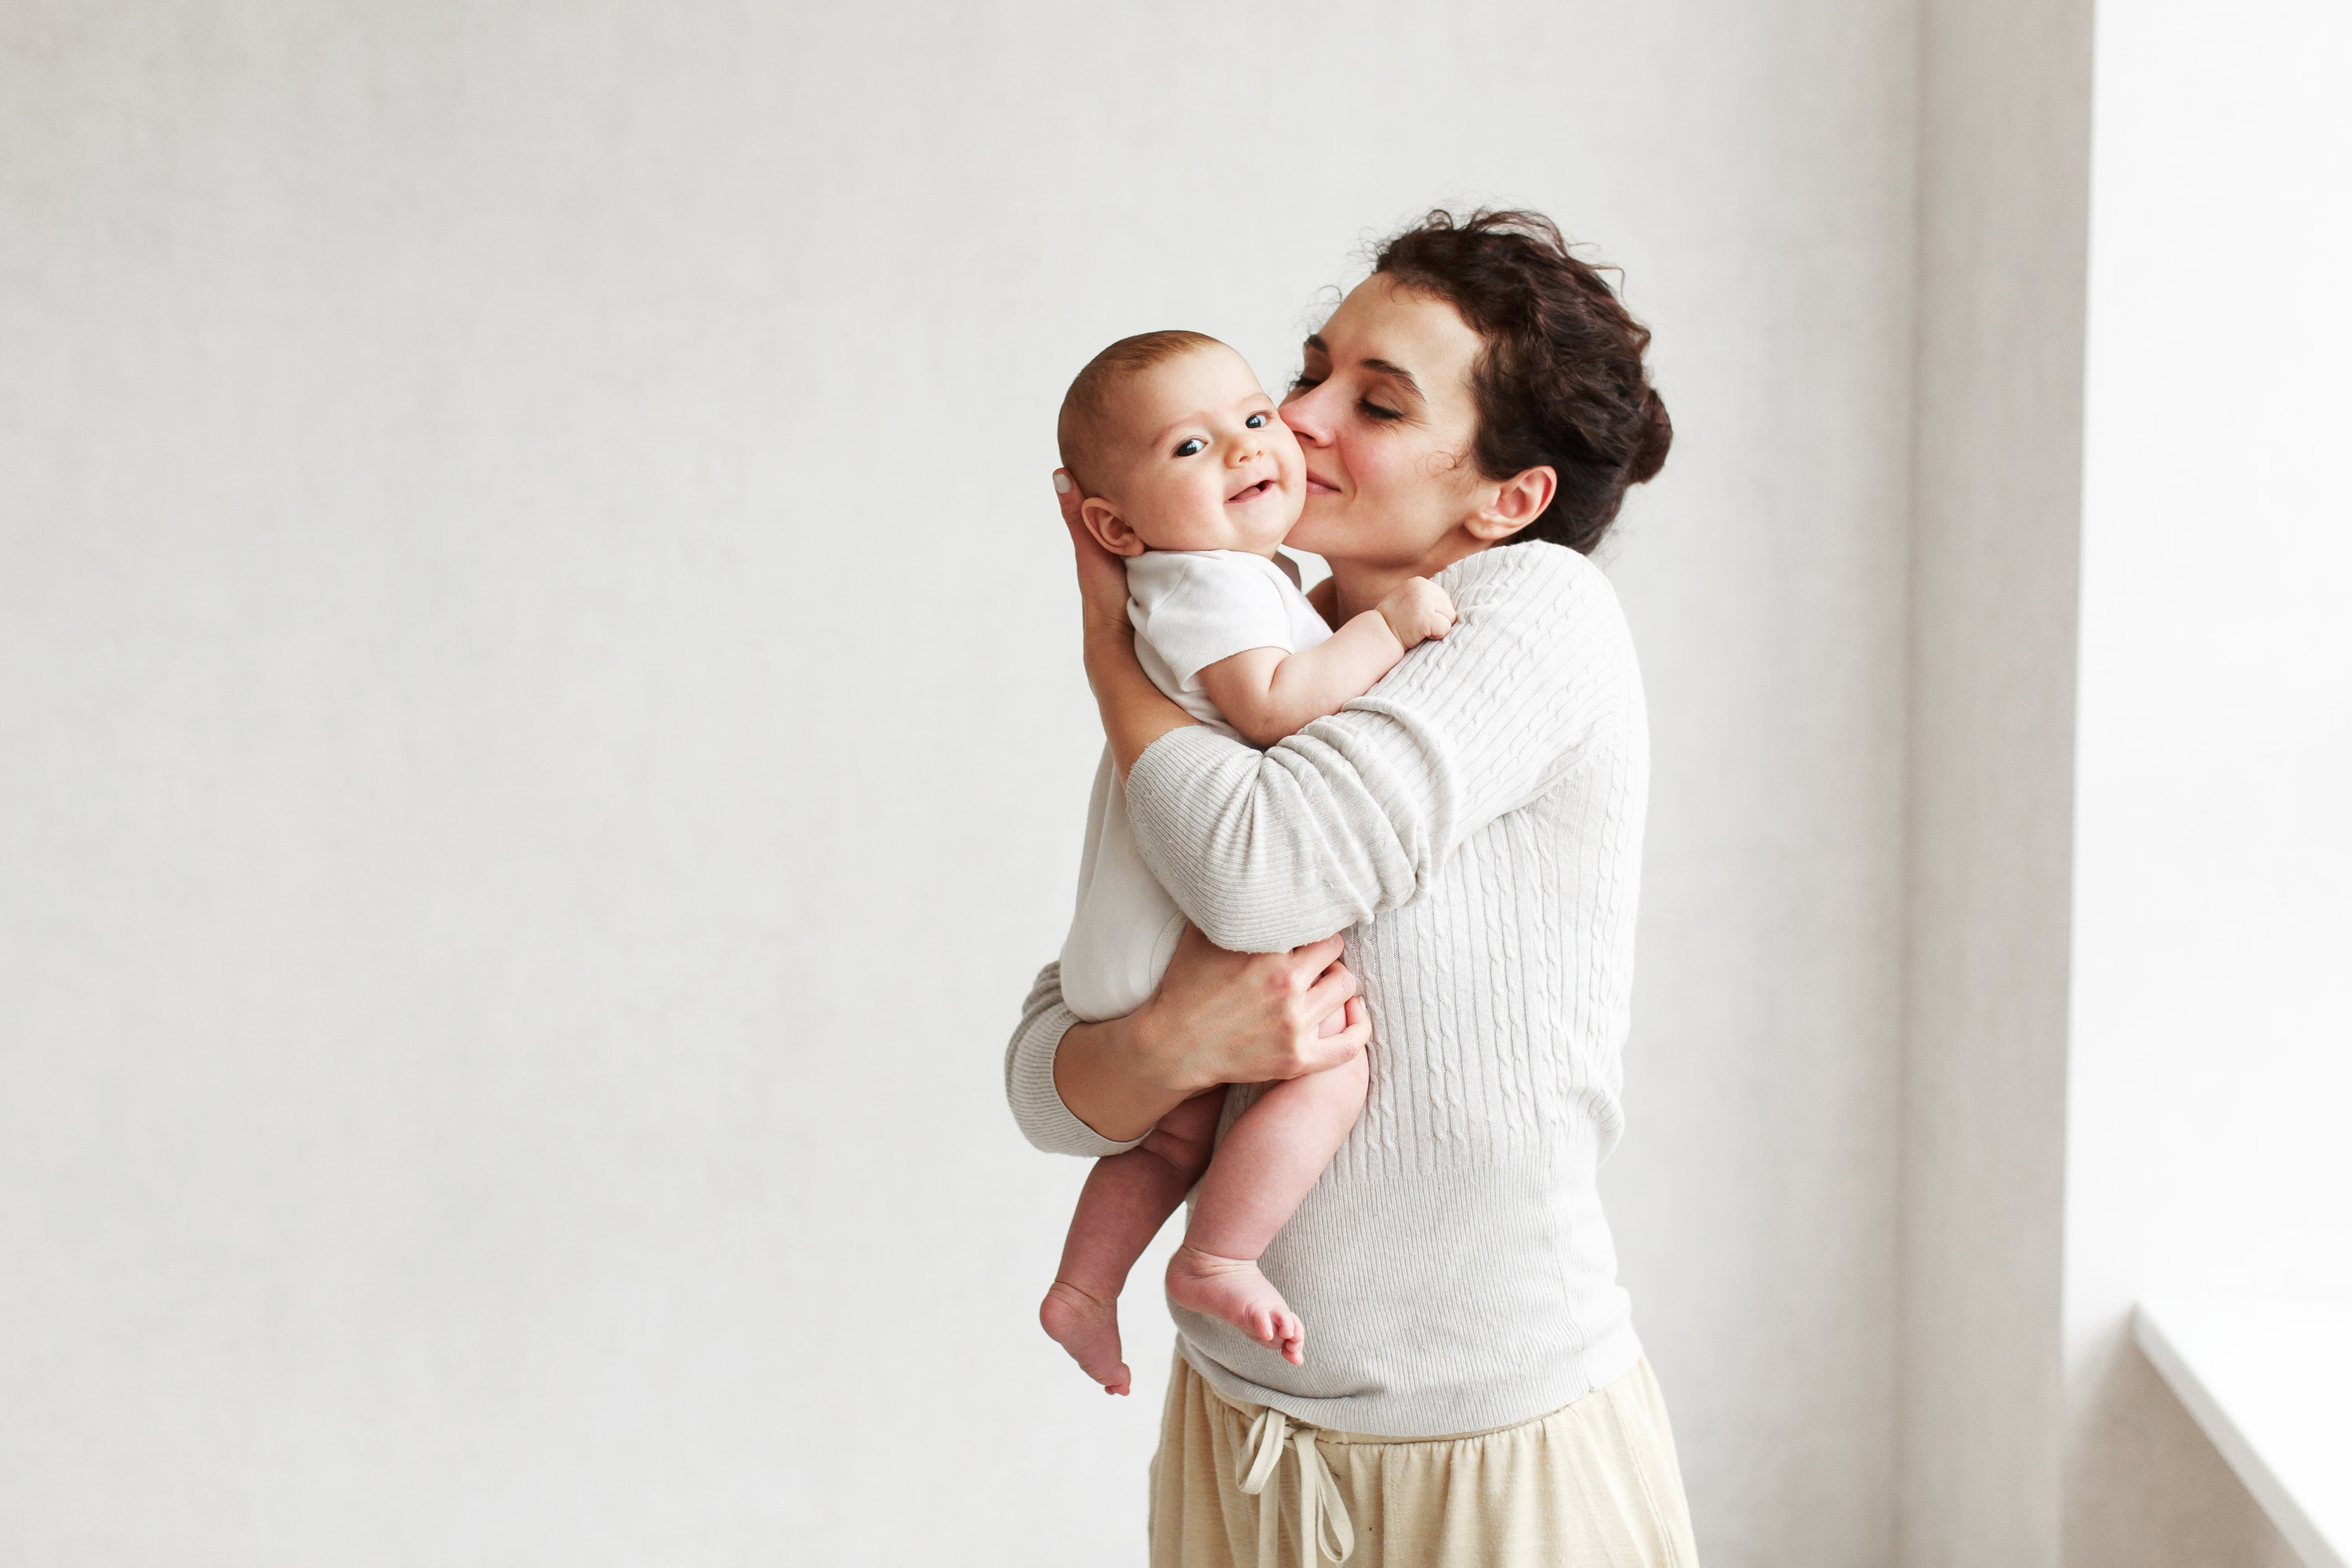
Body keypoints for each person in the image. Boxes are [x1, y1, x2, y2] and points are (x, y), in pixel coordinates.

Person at [1005, 209, 1700, 1566]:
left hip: (1494, 1452)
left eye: (1373, 402)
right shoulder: (1256, 648)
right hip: (1247, 1443)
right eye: (1309, 369)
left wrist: (1111, 668)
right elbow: (1047, 1073)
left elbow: (1261, 878)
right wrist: (1161, 1048)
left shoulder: (1535, 617)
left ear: (1507, 500)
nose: (1295, 417)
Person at [1040, 328, 1458, 1396]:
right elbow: (1274, 710)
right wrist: (1395, 629)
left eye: (1253, 417)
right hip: (1186, 939)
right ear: (1112, 524)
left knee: (1170, 1139)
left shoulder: (1224, 582)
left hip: (1137, 956)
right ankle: (1218, 1254)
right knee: (1337, 1067)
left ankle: (1085, 1287)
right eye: (1190, 446)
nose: (1247, 446)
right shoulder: (1210, 583)